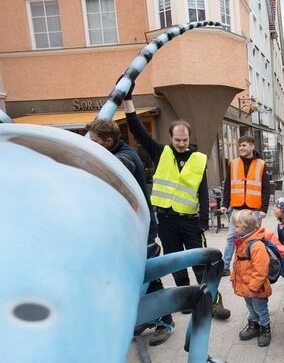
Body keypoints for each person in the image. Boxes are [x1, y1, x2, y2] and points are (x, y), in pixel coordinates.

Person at [124, 83, 231, 320]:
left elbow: (203, 190)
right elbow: (137, 129)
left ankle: (212, 301)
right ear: (170, 137)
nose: (181, 143)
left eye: (184, 140)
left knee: (201, 263)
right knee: (175, 262)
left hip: (190, 221)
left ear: (189, 137)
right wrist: (128, 100)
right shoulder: (160, 152)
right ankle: (187, 298)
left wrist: (204, 218)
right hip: (166, 220)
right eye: (177, 139)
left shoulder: (197, 159)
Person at [85, 119, 174, 346]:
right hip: (128, 229)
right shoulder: (113, 151)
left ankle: (166, 320)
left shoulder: (125, 157)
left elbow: (120, 167)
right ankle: (148, 316)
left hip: (140, 229)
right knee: (136, 277)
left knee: (149, 275)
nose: (91, 144)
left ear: (108, 141)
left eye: (94, 141)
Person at [220, 136, 272, 276]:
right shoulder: (233, 163)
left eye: (244, 145)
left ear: (252, 146)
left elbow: (266, 188)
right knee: (232, 237)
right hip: (236, 207)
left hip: (255, 209)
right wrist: (225, 204)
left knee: (254, 238)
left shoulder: (261, 164)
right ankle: (225, 266)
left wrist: (264, 209)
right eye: (240, 146)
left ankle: (256, 264)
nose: (241, 148)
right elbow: (227, 185)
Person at [230, 210, 272, 347]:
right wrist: (233, 277)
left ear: (246, 227)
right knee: (250, 306)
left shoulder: (256, 245)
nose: (233, 228)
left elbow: (261, 269)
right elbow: (237, 262)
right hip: (245, 285)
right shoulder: (242, 241)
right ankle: (254, 324)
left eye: (236, 226)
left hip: (256, 286)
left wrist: (254, 287)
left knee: (260, 308)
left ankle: (265, 328)